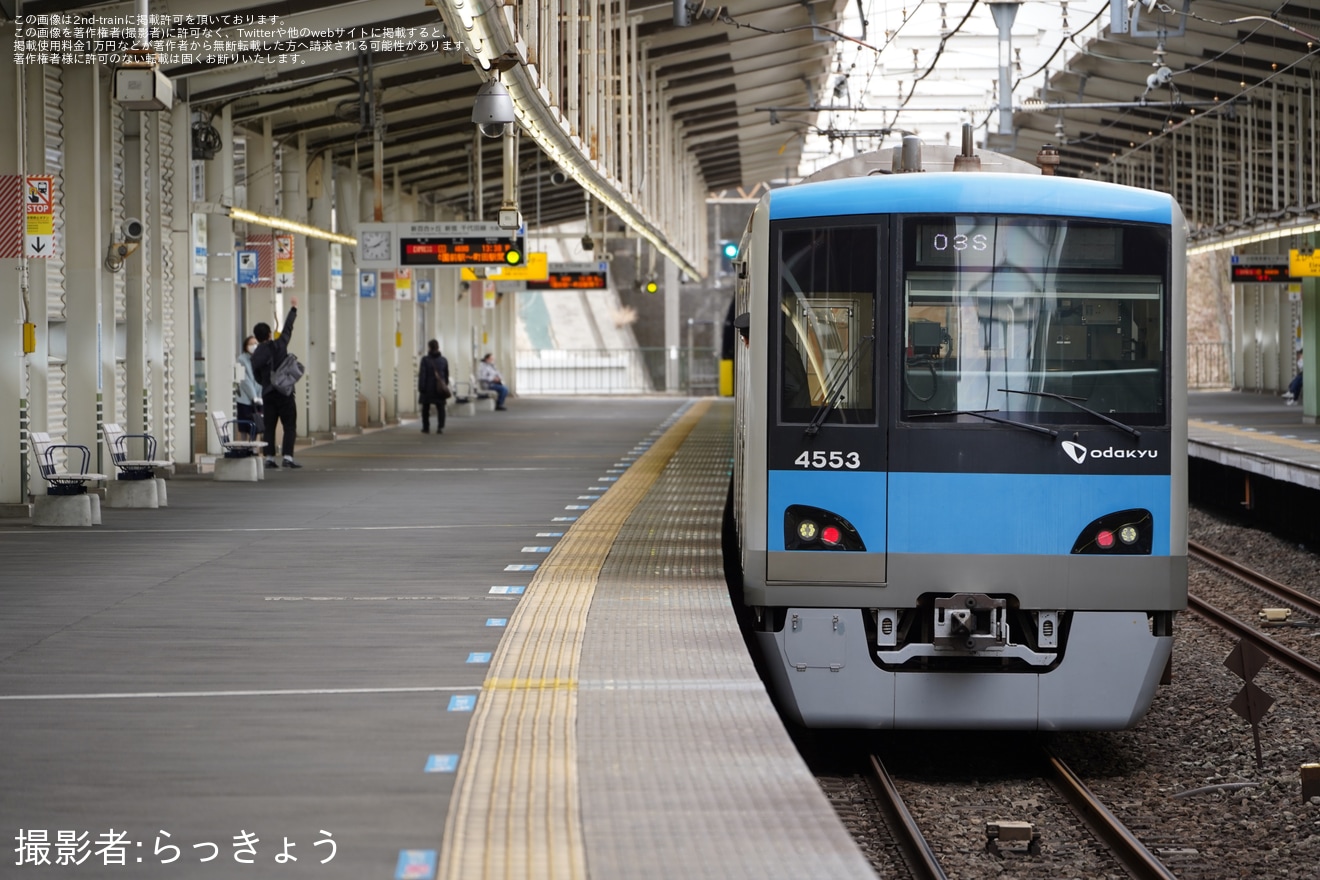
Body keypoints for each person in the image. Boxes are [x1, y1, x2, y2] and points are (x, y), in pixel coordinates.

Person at [250, 297, 301, 468]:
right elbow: (288, 329)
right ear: (269, 334)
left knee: (269, 426)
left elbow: (256, 375)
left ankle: (270, 458)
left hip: (268, 393)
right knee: (289, 425)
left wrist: (266, 383)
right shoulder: (279, 345)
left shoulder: (256, 354)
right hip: (285, 392)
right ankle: (287, 457)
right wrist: (293, 309)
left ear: (256, 337)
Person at [418, 339, 450, 434]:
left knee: (425, 409)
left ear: (429, 347)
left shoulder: (425, 360)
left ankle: (426, 427)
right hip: (439, 389)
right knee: (441, 408)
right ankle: (440, 427)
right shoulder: (443, 360)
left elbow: (422, 375)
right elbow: (446, 375)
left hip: (428, 388)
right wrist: (444, 385)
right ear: (438, 347)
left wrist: (421, 388)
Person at [235, 335, 262, 441]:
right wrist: (253, 396)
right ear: (246, 346)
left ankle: (253, 447)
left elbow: (261, 379)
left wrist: (259, 396)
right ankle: (244, 447)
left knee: (256, 423)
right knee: (244, 425)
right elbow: (244, 380)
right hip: (244, 399)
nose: (254, 346)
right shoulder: (241, 359)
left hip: (258, 399)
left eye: (256, 343)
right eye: (251, 344)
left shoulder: (260, 358)